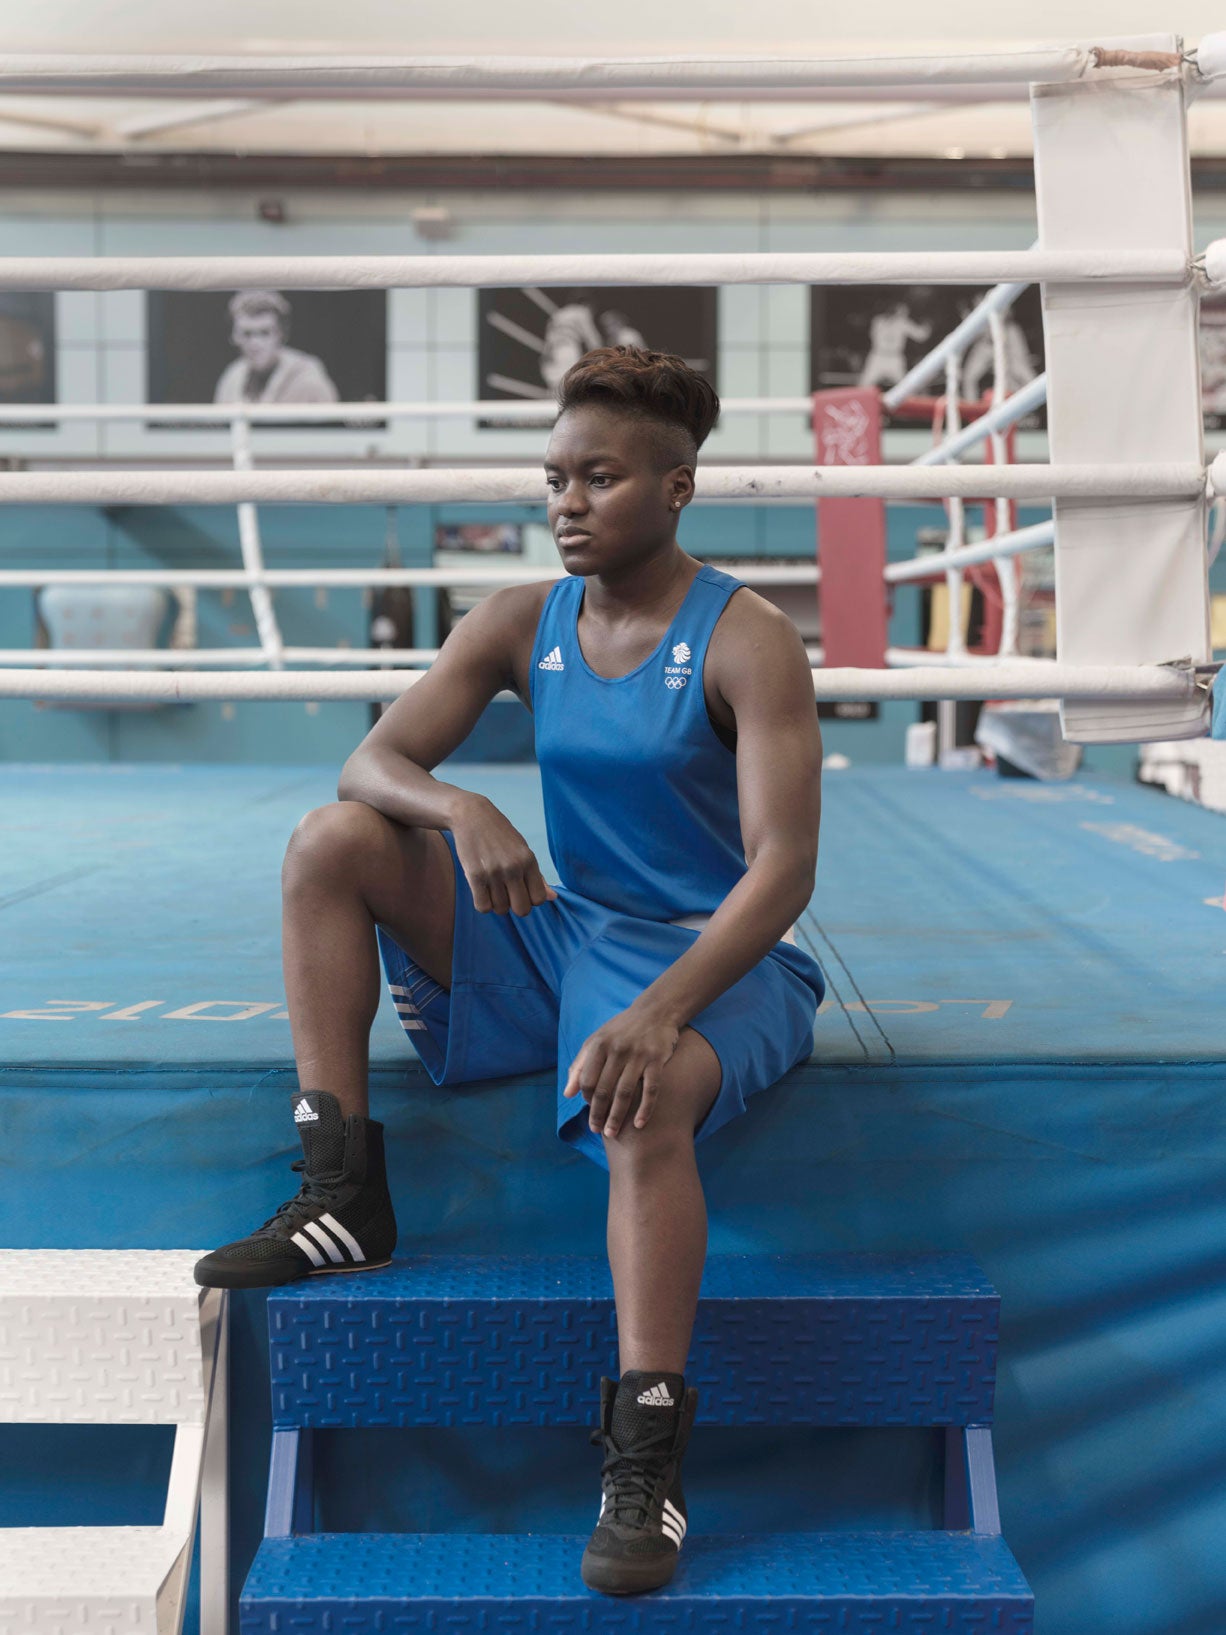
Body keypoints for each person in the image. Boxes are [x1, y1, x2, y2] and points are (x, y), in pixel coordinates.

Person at [193, 345, 826, 1597]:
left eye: (600, 477)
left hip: (716, 962)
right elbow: (368, 764)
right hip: (569, 933)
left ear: (677, 485)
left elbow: (780, 872)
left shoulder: (746, 640)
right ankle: (342, 1196)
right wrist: (460, 806)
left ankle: (646, 1456)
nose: (568, 502)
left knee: (637, 1097)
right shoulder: (520, 621)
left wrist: (659, 1011)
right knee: (334, 844)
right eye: (554, 477)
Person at [213, 289, 339, 405]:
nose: (255, 343)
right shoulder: (232, 378)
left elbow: (331, 427)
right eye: (247, 334)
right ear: (234, 337)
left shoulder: (308, 379)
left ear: (282, 335)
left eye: (264, 333)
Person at [856, 299, 931, 389]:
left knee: (905, 388)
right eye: (903, 310)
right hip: (877, 357)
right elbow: (874, 333)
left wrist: (928, 325)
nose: (906, 313)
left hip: (895, 359)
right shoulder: (878, 320)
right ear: (895, 310)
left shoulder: (904, 323)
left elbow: (921, 336)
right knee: (863, 386)